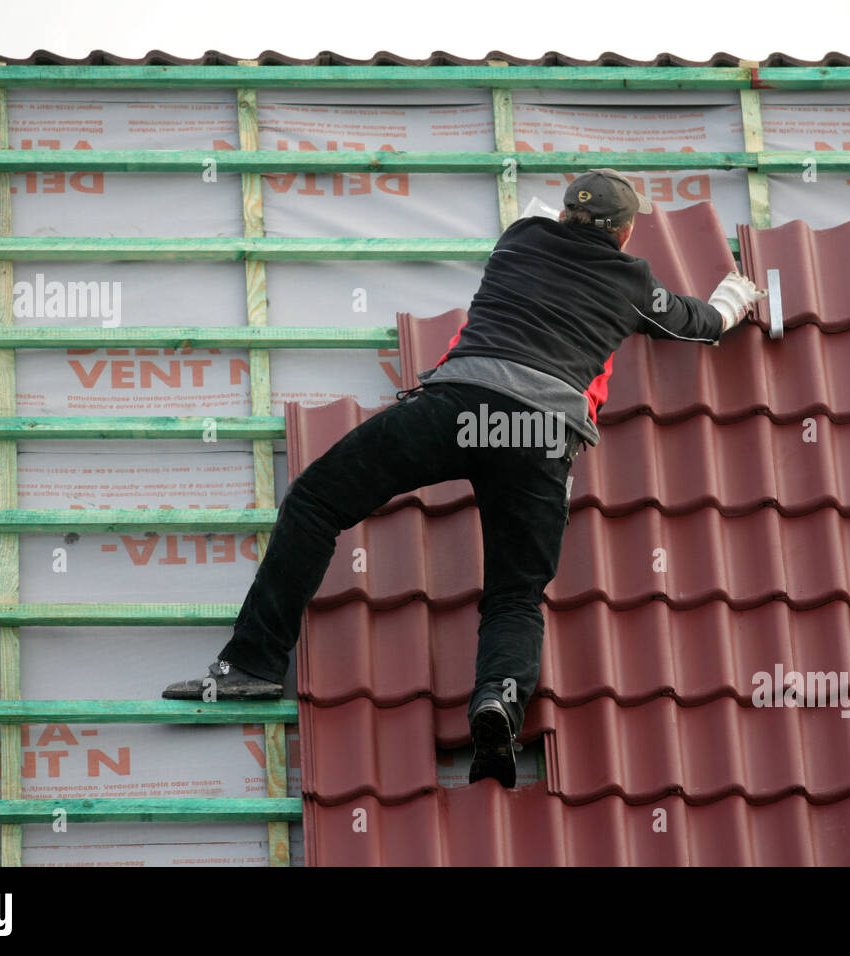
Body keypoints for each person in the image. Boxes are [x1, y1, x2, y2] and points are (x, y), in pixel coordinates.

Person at [163, 168, 767, 789]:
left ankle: (252, 665)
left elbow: (540, 243)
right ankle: (498, 702)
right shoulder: (633, 281)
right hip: (539, 437)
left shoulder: (518, 238)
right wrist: (733, 299)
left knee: (316, 500)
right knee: (514, 593)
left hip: (459, 410)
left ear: (562, 216)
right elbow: (696, 324)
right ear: (626, 230)